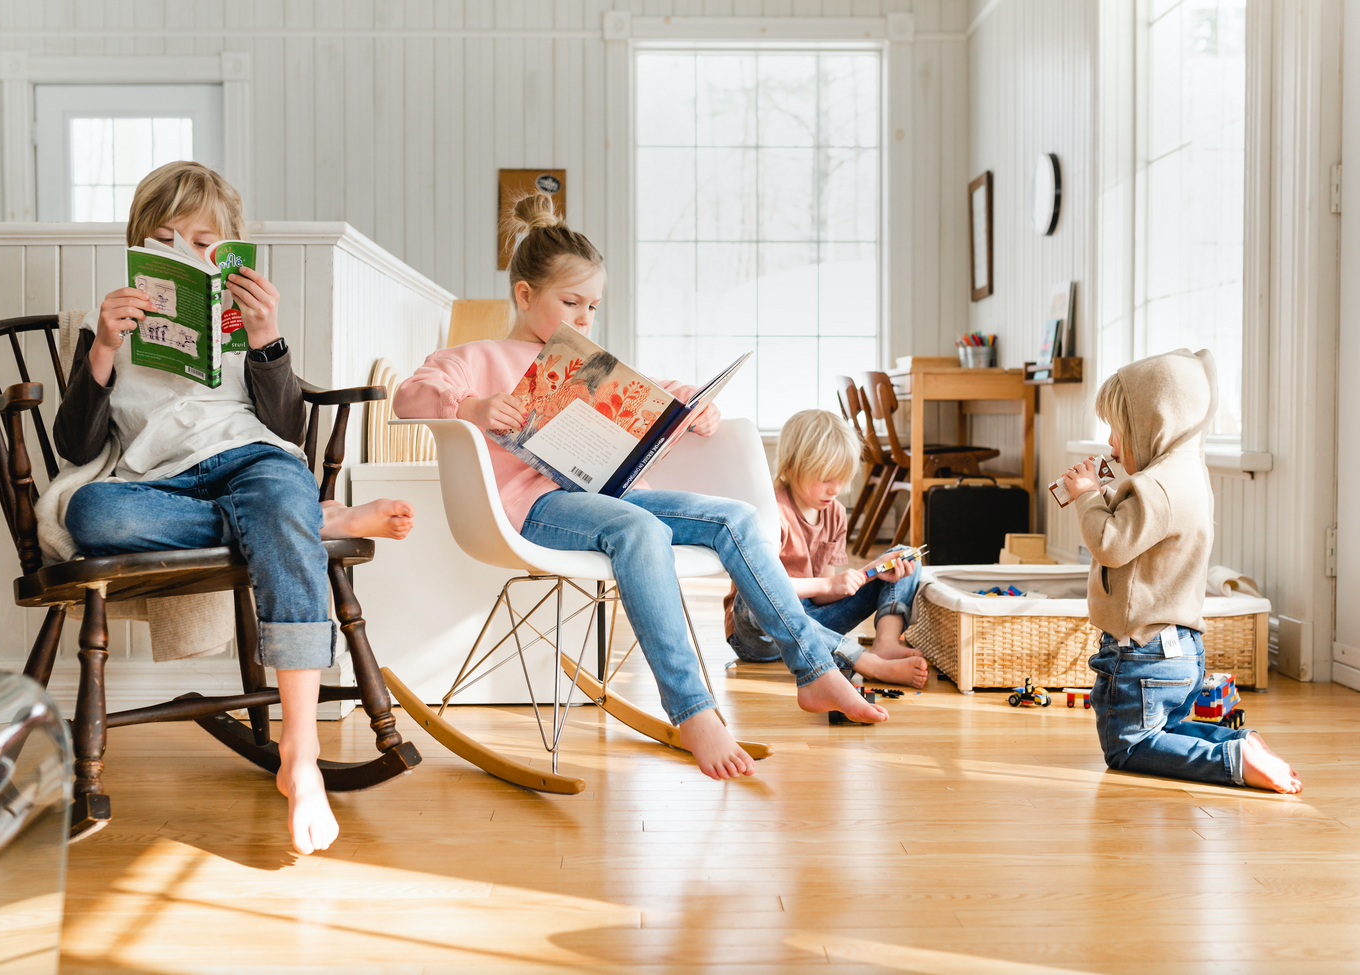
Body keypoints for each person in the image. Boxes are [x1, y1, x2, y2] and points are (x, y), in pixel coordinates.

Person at [393, 194, 889, 781]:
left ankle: (812, 668)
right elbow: (408, 396)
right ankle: (692, 710)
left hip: (611, 496)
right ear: (525, 294)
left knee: (737, 518)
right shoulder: (476, 357)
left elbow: (653, 390)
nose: (583, 319)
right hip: (532, 510)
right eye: (570, 303)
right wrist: (472, 405)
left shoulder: (591, 362)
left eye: (593, 307)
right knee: (638, 527)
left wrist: (691, 409)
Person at [55, 161, 418, 853]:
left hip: (252, 460)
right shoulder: (110, 324)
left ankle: (301, 754)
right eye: (165, 239)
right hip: (159, 482)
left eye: (201, 243)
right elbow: (76, 444)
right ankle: (314, 521)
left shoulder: (242, 324)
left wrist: (264, 337)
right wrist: (103, 346)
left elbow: (287, 431)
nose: (184, 252)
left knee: (282, 487)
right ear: (139, 244)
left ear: (224, 253)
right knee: (92, 515)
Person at [1059, 349, 1300, 793]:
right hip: (1179, 650)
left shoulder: (1157, 487)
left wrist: (1088, 498)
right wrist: (1106, 493)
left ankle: (1231, 759)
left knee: (1127, 747)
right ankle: (1239, 743)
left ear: (1153, 424)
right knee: (1160, 734)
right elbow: (1142, 532)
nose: (1111, 444)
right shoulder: (1183, 474)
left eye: (1117, 430)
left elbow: (1111, 545)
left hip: (1141, 652)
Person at [724, 409, 928, 689]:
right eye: (826, 479)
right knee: (751, 597)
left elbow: (823, 597)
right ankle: (865, 661)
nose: (836, 490)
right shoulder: (770, 512)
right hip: (760, 637)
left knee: (903, 555)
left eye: (842, 479)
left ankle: (886, 643)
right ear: (790, 468)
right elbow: (762, 587)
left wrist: (869, 574)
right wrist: (829, 583)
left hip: (813, 624)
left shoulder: (835, 514)